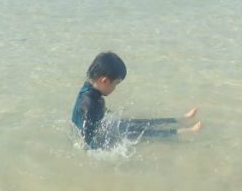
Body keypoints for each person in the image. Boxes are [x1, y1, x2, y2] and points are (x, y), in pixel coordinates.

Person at [71, 51, 201, 149]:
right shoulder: (88, 101)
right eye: (116, 83)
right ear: (104, 80)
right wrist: (108, 148)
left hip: (102, 128)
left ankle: (179, 120)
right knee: (141, 132)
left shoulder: (90, 90)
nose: (115, 88)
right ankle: (184, 132)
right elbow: (86, 139)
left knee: (137, 123)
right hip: (99, 137)